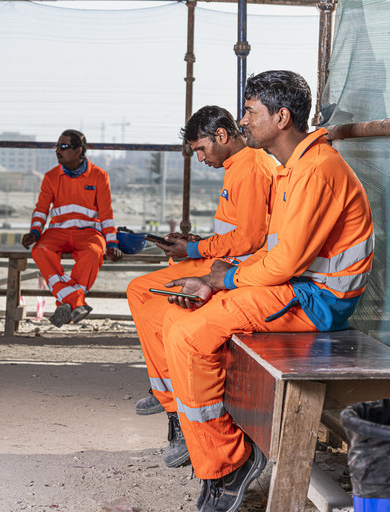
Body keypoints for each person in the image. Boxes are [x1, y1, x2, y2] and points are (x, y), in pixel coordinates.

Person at [137, 70, 373, 512]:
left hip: (318, 300)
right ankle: (217, 443)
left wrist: (219, 279)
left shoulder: (316, 169)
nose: (243, 121)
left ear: (281, 117)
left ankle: (229, 463)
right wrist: (221, 276)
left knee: (191, 333)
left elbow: (285, 263)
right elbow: (278, 252)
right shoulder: (293, 167)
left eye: (250, 112)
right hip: (294, 287)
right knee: (176, 316)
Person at [125, 106, 278, 468]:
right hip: (220, 258)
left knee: (156, 310)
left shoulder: (253, 168)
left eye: (200, 149)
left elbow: (249, 240)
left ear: (221, 136)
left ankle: (178, 412)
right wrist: (195, 244)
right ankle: (166, 394)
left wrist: (194, 249)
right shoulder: (236, 166)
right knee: (137, 289)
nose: (200, 157)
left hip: (237, 267)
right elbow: (235, 234)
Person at [21, 129, 123, 328]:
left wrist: (111, 242)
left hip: (89, 234)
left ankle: (66, 304)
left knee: (94, 253)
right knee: (40, 250)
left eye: (64, 147)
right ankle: (76, 301)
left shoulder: (99, 176)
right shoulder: (51, 176)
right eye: (57, 146)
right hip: (57, 233)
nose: (58, 150)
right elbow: (41, 209)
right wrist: (34, 232)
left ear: (79, 151)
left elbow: (106, 215)